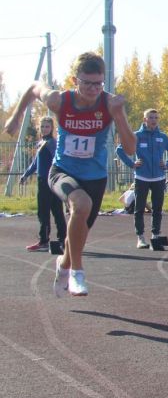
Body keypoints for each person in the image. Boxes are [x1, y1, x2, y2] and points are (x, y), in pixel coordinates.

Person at [4, 52, 136, 296]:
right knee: (81, 204)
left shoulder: (109, 104)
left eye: (98, 83)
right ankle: (77, 272)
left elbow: (130, 148)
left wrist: (119, 116)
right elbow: (34, 87)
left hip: (95, 177)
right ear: (75, 80)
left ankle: (64, 265)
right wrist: (15, 115)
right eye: (87, 83)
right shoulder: (59, 101)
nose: (93, 89)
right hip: (62, 171)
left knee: (77, 233)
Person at [116, 108, 168, 248]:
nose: (154, 120)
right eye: (151, 117)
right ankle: (140, 238)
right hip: (141, 178)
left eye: (156, 117)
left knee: (157, 209)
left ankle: (155, 236)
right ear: (145, 119)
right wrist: (132, 164)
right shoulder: (136, 136)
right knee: (139, 209)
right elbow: (119, 149)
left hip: (158, 178)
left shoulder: (163, 137)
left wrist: (167, 164)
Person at [19, 116, 67, 251]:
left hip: (50, 181)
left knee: (51, 211)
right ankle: (57, 239)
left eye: (47, 126)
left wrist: (57, 175)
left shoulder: (52, 143)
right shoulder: (41, 143)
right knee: (48, 211)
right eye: (42, 127)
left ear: (52, 128)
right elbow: (35, 163)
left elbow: (57, 160)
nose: (44, 129)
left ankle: (49, 241)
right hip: (43, 180)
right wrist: (25, 175)